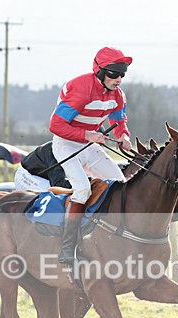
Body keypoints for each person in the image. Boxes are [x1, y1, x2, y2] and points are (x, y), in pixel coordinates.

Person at [49, 46, 133, 265]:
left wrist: (123, 136)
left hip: (89, 145)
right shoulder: (81, 90)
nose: (118, 79)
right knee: (83, 189)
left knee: (120, 185)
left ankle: (111, 238)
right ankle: (68, 248)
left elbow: (118, 121)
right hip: (66, 146)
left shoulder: (117, 95)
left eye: (122, 74)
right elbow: (56, 125)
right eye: (114, 74)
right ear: (100, 71)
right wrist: (87, 134)